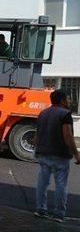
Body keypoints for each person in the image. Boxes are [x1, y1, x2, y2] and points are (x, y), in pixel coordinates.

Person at [34, 89, 80, 222]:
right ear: (62, 100)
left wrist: (36, 147)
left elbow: (37, 135)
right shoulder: (65, 114)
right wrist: (76, 154)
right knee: (61, 184)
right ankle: (59, 214)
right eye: (67, 98)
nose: (69, 101)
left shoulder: (43, 113)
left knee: (42, 183)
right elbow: (68, 136)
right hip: (60, 155)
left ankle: (40, 210)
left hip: (42, 153)